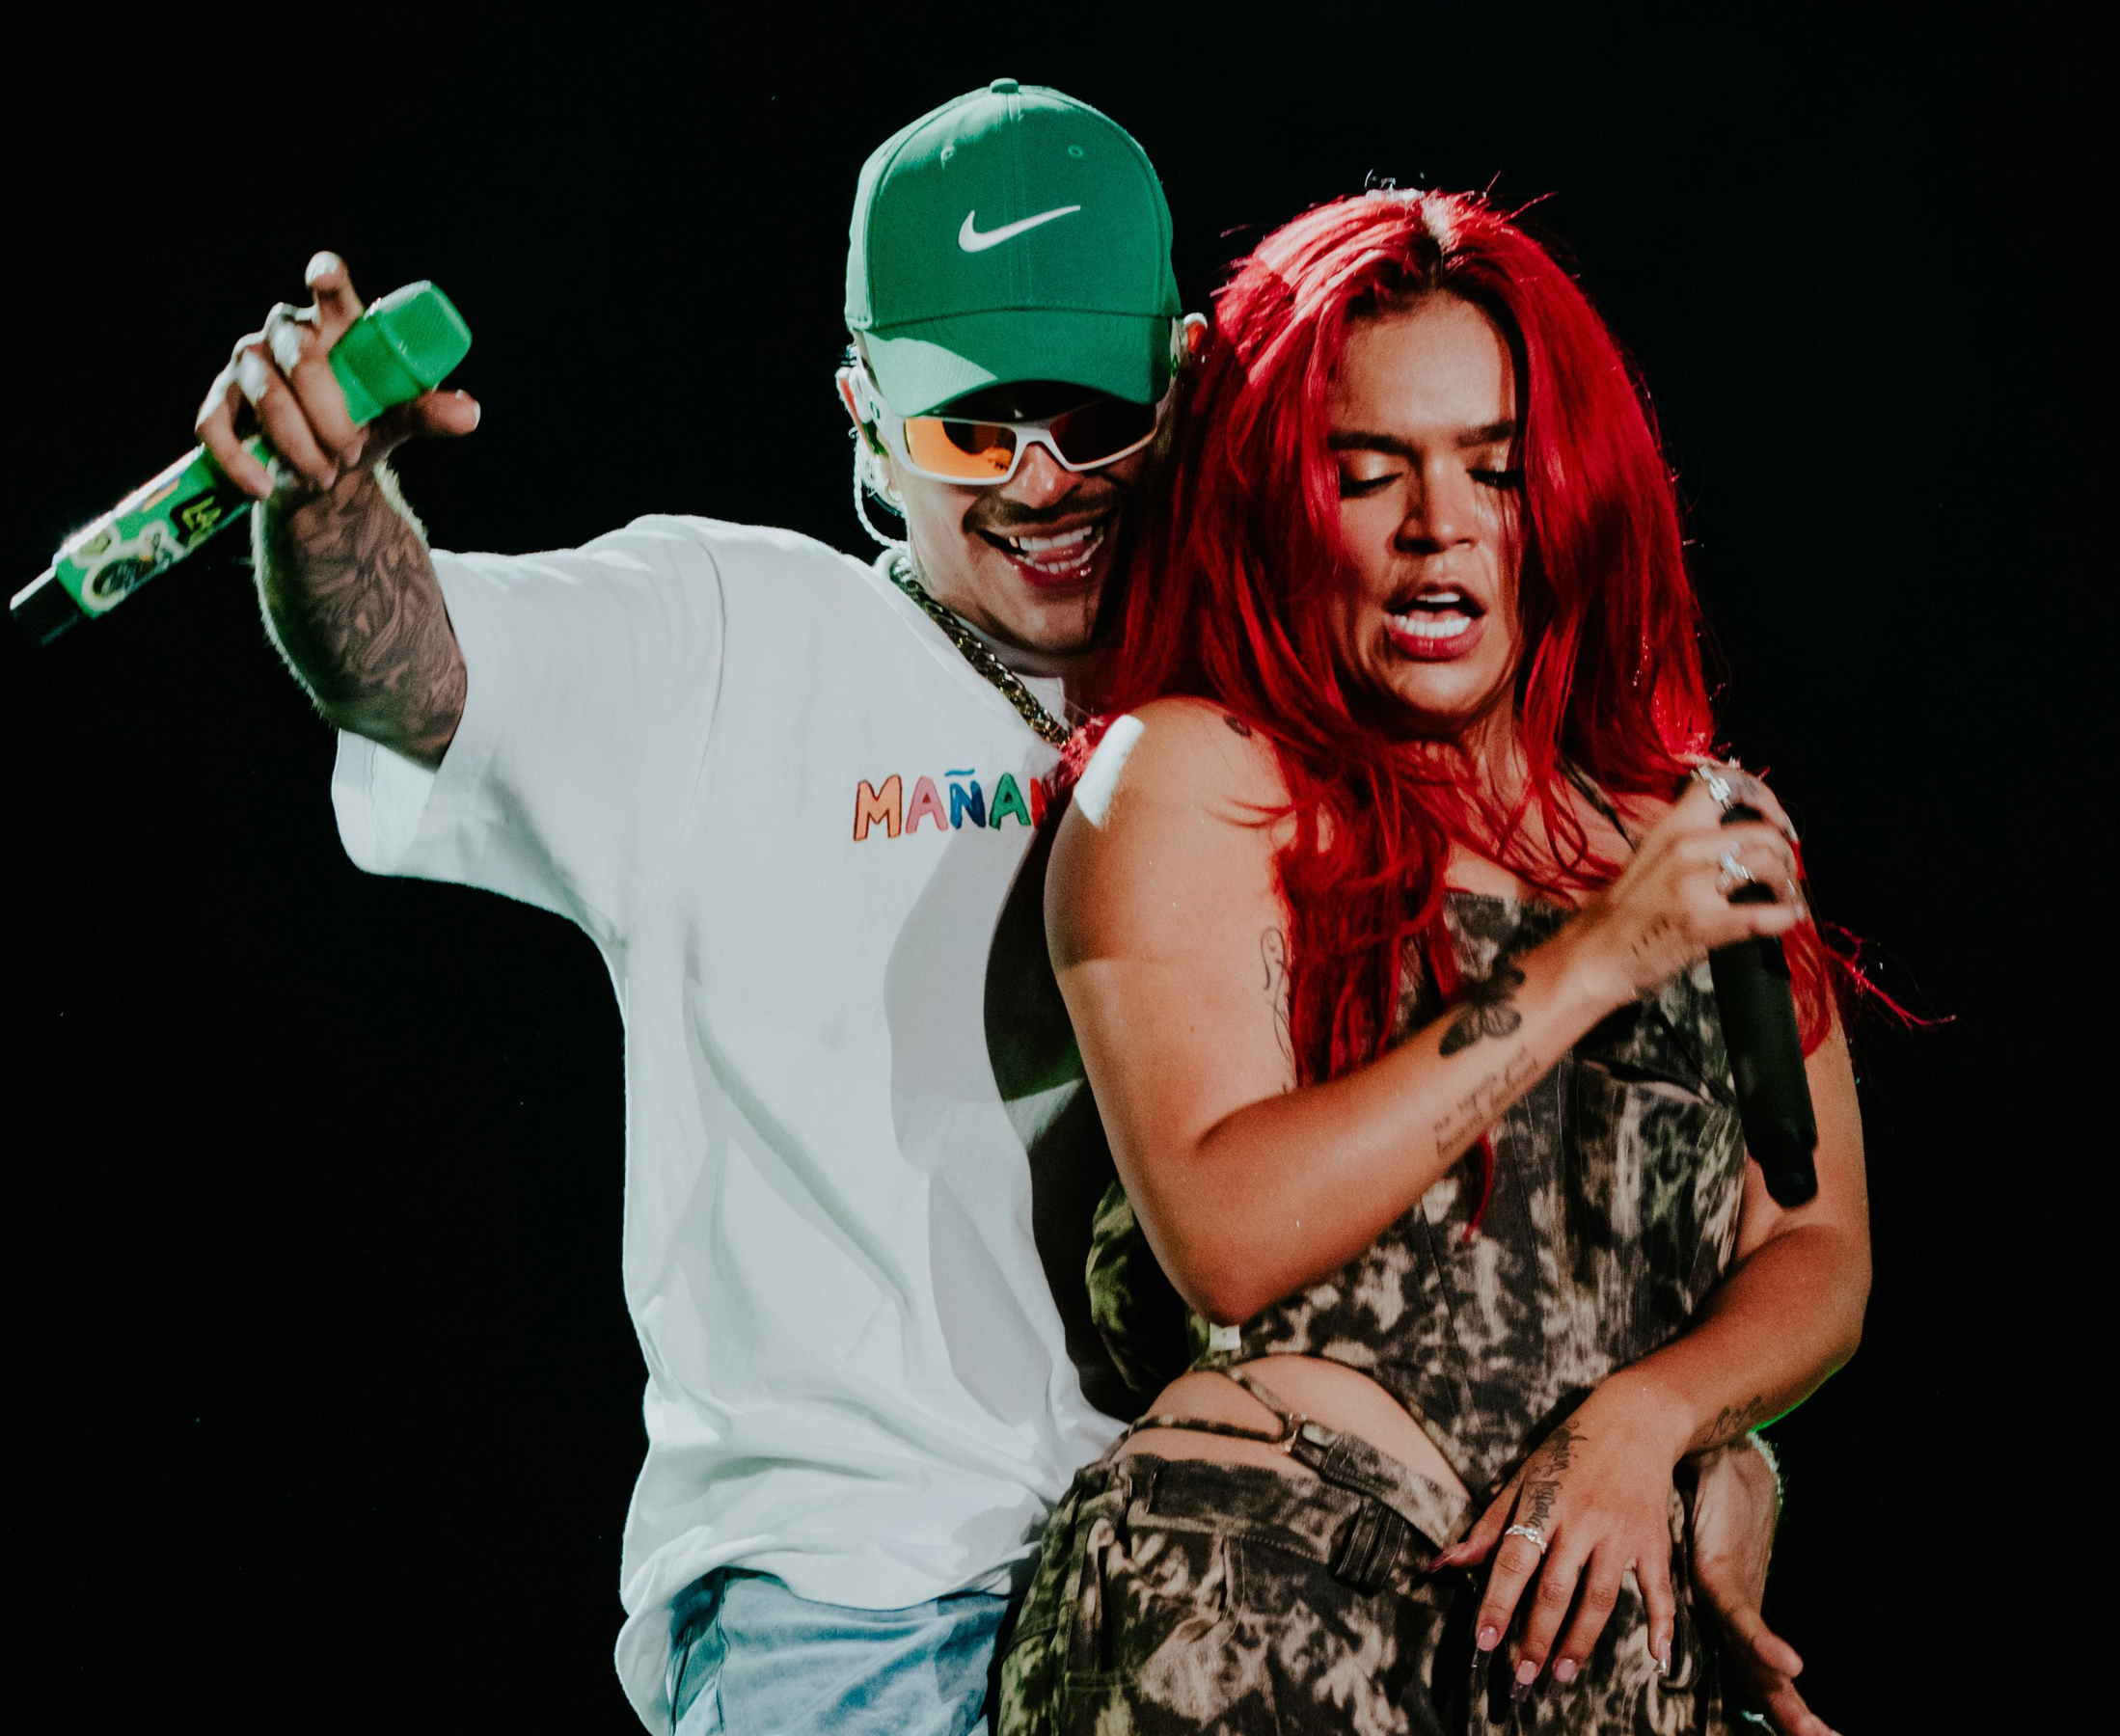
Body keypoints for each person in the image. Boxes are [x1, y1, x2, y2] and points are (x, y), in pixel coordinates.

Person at [190, 79, 1811, 1731]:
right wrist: (327, 497)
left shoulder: (1295, 712)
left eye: (1091, 419)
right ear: (862, 408)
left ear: (1186, 386)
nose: (1041, 481)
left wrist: (1698, 1439)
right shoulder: (736, 639)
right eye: (972, 432)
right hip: (863, 1607)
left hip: (1227, 1584)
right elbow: (407, 671)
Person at [997, 189, 1871, 1734]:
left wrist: (1659, 1422)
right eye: (1368, 471)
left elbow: (1816, 1247)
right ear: (1283, 500)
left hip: (1577, 1670)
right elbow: (1227, 1231)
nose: (1438, 524)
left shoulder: (1687, 837)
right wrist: (1590, 962)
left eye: (1494, 467)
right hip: (1254, 1610)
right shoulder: (1204, 778)